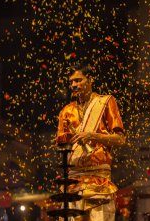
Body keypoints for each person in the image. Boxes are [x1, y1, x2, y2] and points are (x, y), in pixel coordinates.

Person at [56, 64, 125, 221]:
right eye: (71, 82)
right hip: (73, 180)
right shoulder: (66, 111)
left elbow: (120, 139)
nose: (73, 85)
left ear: (90, 80)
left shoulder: (106, 102)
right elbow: (60, 143)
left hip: (98, 178)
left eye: (78, 80)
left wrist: (93, 136)